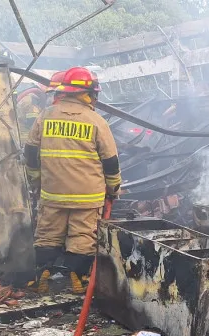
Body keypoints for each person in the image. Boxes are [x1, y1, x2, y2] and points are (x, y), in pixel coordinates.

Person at [24, 67, 122, 294]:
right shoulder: (96, 121)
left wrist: (35, 180)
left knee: (48, 234)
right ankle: (77, 279)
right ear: (87, 94)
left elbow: (30, 152)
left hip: (52, 193)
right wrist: (114, 187)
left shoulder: (46, 116)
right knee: (83, 236)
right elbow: (110, 161)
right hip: (87, 196)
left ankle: (43, 276)